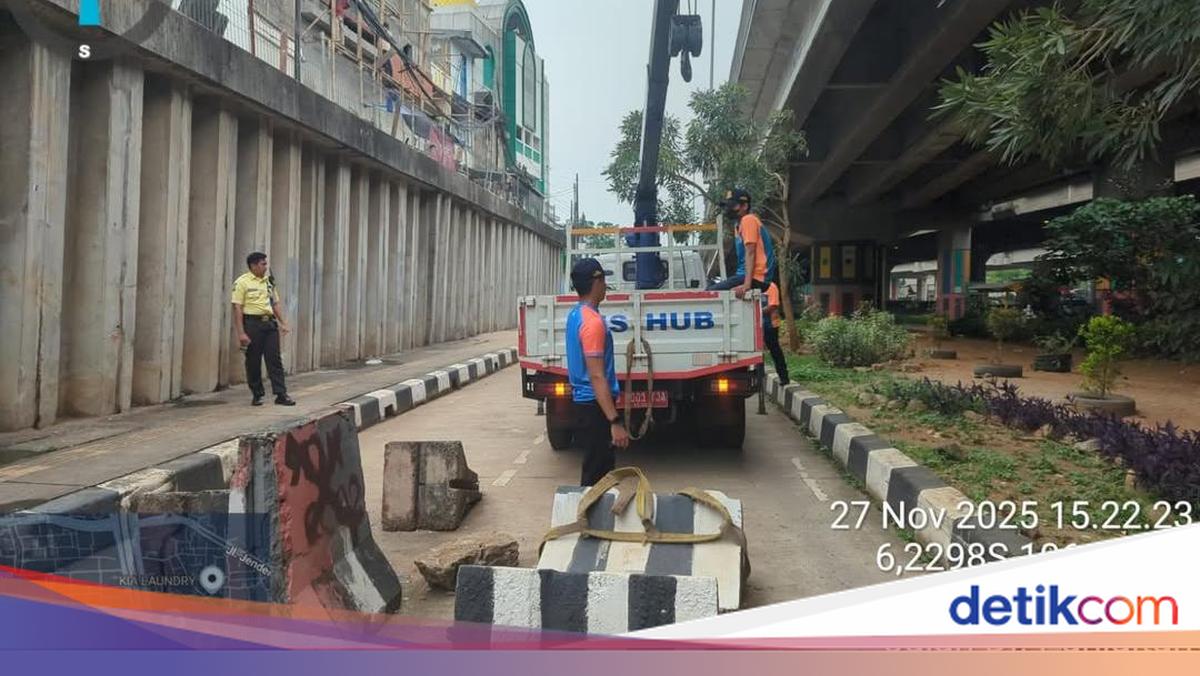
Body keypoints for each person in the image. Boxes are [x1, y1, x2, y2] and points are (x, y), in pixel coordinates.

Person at [565, 258, 630, 486]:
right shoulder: (592, 323)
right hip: (595, 407)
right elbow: (596, 375)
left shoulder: (576, 315)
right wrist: (614, 420)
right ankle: (587, 519)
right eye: (603, 279)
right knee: (597, 476)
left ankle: (593, 517)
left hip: (587, 404)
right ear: (596, 282)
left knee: (600, 474)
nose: (605, 286)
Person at [231, 252, 296, 407]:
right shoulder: (242, 282)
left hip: (269, 325)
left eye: (266, 264)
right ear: (253, 266)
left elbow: (275, 304)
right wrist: (241, 333)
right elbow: (237, 308)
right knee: (253, 360)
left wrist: (283, 323)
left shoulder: (268, 282)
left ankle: (281, 394)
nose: (266, 267)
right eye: (262, 264)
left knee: (274, 359)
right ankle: (257, 394)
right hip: (252, 325)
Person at [708, 188, 774, 298]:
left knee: (709, 293)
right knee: (712, 286)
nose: (729, 209)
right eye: (728, 205)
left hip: (756, 277)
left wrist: (746, 286)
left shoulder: (748, 220)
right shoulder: (738, 226)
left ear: (745, 206)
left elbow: (750, 253)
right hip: (747, 276)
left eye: (733, 205)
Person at [762, 281, 790, 386]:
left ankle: (784, 377)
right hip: (756, 324)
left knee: (775, 350)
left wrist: (757, 311)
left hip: (770, 324)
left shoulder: (771, 286)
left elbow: (773, 306)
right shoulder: (751, 285)